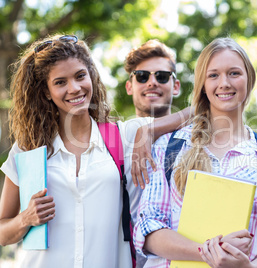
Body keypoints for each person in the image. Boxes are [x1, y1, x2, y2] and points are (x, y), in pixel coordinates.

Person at [0, 34, 189, 268]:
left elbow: (199, 110)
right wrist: (24, 220)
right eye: (60, 82)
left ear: (91, 76)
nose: (75, 88)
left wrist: (149, 131)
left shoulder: (124, 136)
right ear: (46, 92)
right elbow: (3, 232)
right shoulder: (28, 149)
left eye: (80, 76)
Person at [134, 37, 257, 268]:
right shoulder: (169, 146)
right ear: (203, 83)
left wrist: (249, 267)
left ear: (249, 79)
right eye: (213, 75)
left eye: (234, 73)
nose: (224, 83)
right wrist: (212, 252)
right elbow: (149, 228)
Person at [124, 39, 180, 118]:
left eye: (162, 76)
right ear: (129, 87)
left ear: (176, 87)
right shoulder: (114, 130)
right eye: (142, 76)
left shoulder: (197, 130)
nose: (152, 82)